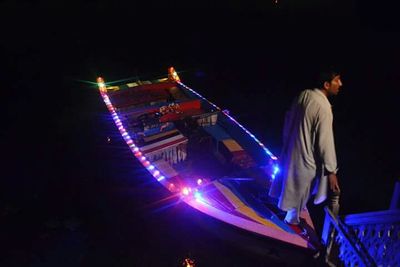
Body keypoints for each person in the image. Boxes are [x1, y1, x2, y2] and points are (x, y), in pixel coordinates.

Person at [269, 68, 342, 232]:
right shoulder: (323, 107)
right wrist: (331, 171)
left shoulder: (304, 95)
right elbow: (325, 141)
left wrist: (286, 144)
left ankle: (289, 217)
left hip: (291, 152)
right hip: (307, 160)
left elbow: (288, 119)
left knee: (290, 187)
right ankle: (290, 224)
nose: (340, 84)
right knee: (299, 194)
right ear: (326, 84)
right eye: (337, 80)